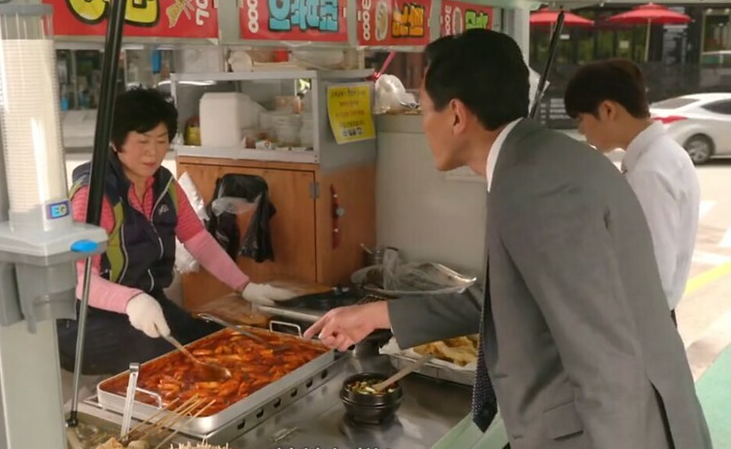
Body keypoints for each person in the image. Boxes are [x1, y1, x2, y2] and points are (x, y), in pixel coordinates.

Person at [304, 30, 711, 449]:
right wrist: (377, 314)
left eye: (423, 110)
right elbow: (500, 295)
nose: (422, 125)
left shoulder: (538, 189)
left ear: (457, 115)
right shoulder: (539, 162)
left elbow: (605, 362)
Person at [57, 88, 296, 376]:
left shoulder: (163, 185)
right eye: (142, 141)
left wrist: (245, 286)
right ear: (115, 142)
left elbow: (198, 240)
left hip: (149, 301)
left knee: (211, 341)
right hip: (88, 321)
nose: (153, 152)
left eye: (161, 141)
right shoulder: (93, 195)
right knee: (170, 360)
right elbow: (80, 278)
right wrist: (132, 301)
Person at [564, 59, 700, 327]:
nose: (580, 130)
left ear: (607, 110)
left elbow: (652, 277)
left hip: (641, 323)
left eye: (580, 119)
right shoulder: (663, 156)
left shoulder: (649, 173)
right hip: (649, 318)